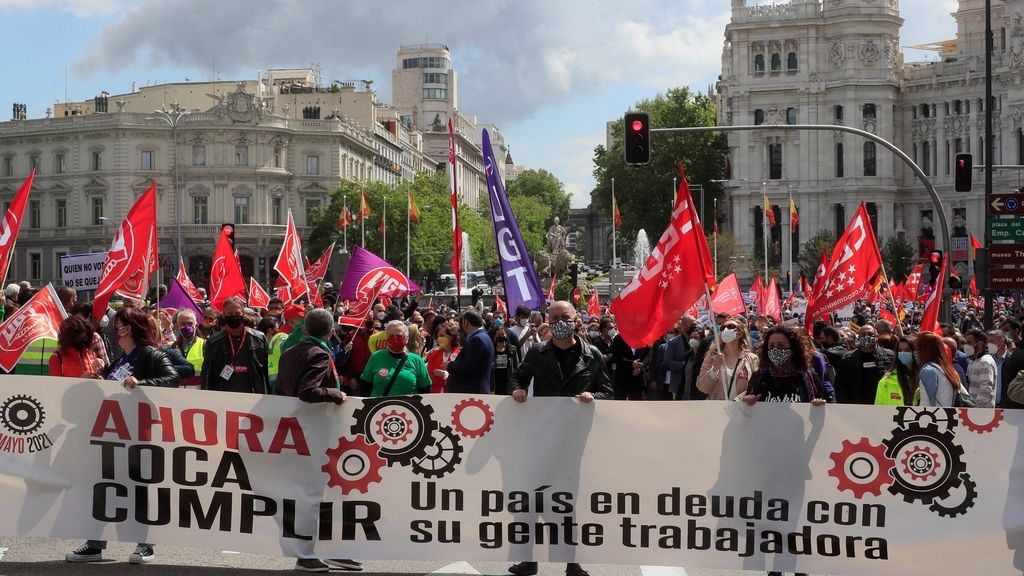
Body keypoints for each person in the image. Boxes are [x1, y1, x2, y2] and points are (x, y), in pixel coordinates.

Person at [65, 307, 178, 564]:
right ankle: (94, 544)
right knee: (104, 489)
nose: (117, 329)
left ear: (133, 328)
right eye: (117, 324)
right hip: (114, 436)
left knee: (139, 490)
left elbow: (172, 378)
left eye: (122, 324)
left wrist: (143, 383)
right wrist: (94, 379)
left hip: (140, 434)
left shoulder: (150, 354)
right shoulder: (119, 360)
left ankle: (145, 545)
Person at [507, 300, 611, 576]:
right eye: (554, 318)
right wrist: (518, 391)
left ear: (576, 320)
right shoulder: (537, 353)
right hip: (541, 440)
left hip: (574, 443)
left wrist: (593, 396)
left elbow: (607, 390)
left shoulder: (592, 355)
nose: (559, 322)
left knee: (567, 503)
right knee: (532, 500)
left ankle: (572, 562)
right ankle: (528, 560)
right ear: (547, 321)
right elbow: (516, 379)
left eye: (564, 317)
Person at [276, 308, 361, 575]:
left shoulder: (290, 353)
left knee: (321, 494)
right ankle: (306, 554)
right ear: (331, 332)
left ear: (304, 329)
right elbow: (308, 391)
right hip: (315, 432)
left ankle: (332, 550)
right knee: (315, 494)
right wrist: (335, 393)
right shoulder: (319, 354)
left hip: (298, 430)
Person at [742, 324, 831, 405]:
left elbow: (825, 401)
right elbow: (749, 402)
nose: (775, 349)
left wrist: (819, 403)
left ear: (793, 349)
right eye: (771, 346)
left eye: (781, 345)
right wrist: (748, 400)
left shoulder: (808, 376)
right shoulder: (759, 377)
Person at [201, 297, 270, 395]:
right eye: (230, 314)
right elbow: (207, 373)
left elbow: (265, 371)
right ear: (224, 315)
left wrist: (267, 396)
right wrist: (207, 396)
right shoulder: (213, 341)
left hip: (253, 394)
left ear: (243, 314)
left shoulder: (259, 338)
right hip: (224, 395)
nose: (234, 316)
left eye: (237, 314)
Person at [358, 321, 432, 397]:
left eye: (399, 336)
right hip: (379, 407)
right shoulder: (376, 357)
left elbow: (425, 389)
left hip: (407, 407)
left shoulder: (417, 360)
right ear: (386, 338)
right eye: (391, 336)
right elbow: (364, 386)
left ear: (407, 338)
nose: (395, 339)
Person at [696, 319, 759, 401]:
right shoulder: (712, 356)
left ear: (740, 333)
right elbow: (703, 387)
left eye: (730, 327)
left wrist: (739, 400)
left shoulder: (752, 358)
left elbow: (756, 386)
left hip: (741, 409)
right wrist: (714, 369)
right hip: (716, 409)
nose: (726, 329)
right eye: (722, 327)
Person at [835, 324, 893, 404]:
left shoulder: (890, 356)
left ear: (876, 336)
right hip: (856, 407)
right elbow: (839, 386)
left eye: (870, 334)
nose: (867, 337)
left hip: (882, 406)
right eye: (863, 335)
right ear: (858, 338)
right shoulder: (848, 358)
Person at [446, 309, 495, 394]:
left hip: (473, 392)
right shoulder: (483, 336)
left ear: (466, 322)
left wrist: (450, 365)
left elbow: (469, 366)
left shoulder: (477, 339)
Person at [915, 332, 963, 407]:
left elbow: (926, 404)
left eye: (918, 349)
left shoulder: (928, 371)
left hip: (936, 416)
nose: (916, 353)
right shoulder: (949, 370)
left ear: (924, 350)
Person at [874, 337, 917, 406]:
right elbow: (879, 409)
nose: (903, 353)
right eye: (900, 350)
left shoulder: (924, 377)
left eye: (907, 350)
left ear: (915, 352)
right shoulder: (886, 381)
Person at [168, 308, 204, 388]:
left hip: (197, 394)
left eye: (190, 323)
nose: (187, 327)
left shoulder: (205, 345)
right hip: (176, 392)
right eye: (183, 324)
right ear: (177, 326)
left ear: (196, 325)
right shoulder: (170, 347)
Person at [610, 330, 649, 400]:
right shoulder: (619, 338)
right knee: (619, 406)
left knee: (636, 407)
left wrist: (641, 365)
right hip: (622, 379)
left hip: (638, 379)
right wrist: (631, 363)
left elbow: (649, 354)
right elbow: (616, 356)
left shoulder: (644, 338)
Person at [424, 322, 461, 393]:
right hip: (435, 394)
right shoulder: (434, 353)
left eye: (442, 336)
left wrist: (445, 375)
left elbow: (460, 377)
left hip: (452, 394)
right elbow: (429, 375)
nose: (439, 339)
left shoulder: (459, 354)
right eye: (438, 337)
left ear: (451, 336)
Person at [964, 329, 997, 408]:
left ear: (980, 344)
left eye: (969, 343)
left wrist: (976, 407)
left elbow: (986, 389)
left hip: (982, 411)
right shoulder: (973, 361)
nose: (966, 346)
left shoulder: (985, 361)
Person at [491, 324, 520, 395]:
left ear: (506, 335)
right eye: (498, 334)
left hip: (508, 381)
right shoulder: (491, 349)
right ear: (494, 336)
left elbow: (516, 367)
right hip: (496, 381)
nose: (501, 336)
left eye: (502, 334)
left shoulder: (512, 349)